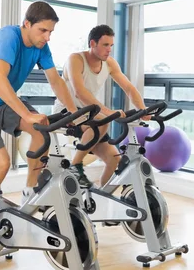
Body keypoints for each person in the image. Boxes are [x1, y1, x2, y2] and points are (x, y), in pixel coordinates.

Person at [0, 1, 78, 254]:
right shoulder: (7, 37)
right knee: (0, 164)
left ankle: (29, 191)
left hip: (2, 101)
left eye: (50, 32)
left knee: (41, 128)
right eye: (42, 31)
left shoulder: (41, 47)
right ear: (27, 24)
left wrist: (75, 114)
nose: (47, 37)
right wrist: (25, 113)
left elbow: (55, 81)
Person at [53, 24, 149, 187]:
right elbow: (79, 92)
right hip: (68, 111)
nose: (109, 49)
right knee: (105, 120)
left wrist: (143, 109)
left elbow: (129, 88)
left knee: (114, 162)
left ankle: (103, 197)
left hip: (91, 114)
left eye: (111, 45)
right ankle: (75, 167)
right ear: (92, 44)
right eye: (105, 45)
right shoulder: (75, 59)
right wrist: (107, 112)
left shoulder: (110, 63)